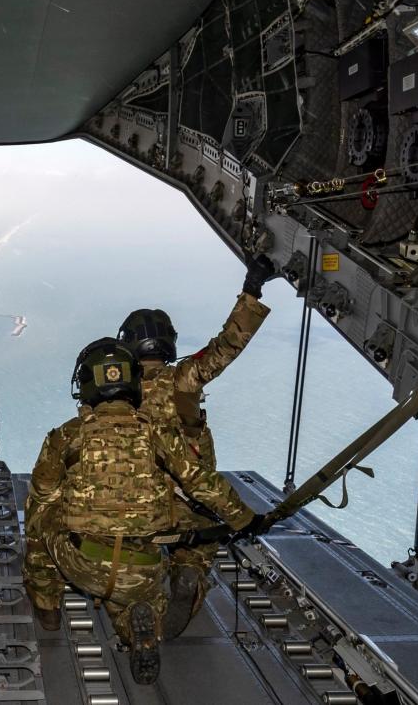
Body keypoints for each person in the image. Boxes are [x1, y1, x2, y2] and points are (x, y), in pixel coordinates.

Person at [23, 338, 263, 685]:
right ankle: (144, 616)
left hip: (82, 563)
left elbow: (42, 498)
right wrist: (247, 519)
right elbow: (201, 482)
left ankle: (47, 609)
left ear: (87, 386)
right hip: (143, 564)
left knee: (41, 519)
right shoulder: (158, 433)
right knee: (132, 594)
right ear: (133, 384)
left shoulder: (65, 436)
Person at [116, 254, 275, 638]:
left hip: (137, 503)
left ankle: (140, 592)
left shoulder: (117, 390)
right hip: (192, 498)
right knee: (198, 549)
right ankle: (187, 572)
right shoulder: (185, 379)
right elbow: (227, 345)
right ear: (167, 343)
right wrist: (252, 289)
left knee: (131, 559)